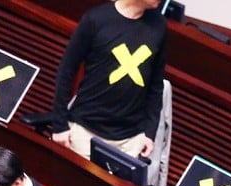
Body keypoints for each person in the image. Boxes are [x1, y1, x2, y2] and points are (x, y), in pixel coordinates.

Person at [49, 0, 167, 161]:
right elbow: (66, 71)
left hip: (130, 142)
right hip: (84, 133)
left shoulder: (159, 26)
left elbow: (156, 85)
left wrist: (149, 133)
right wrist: (60, 124)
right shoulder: (96, 19)